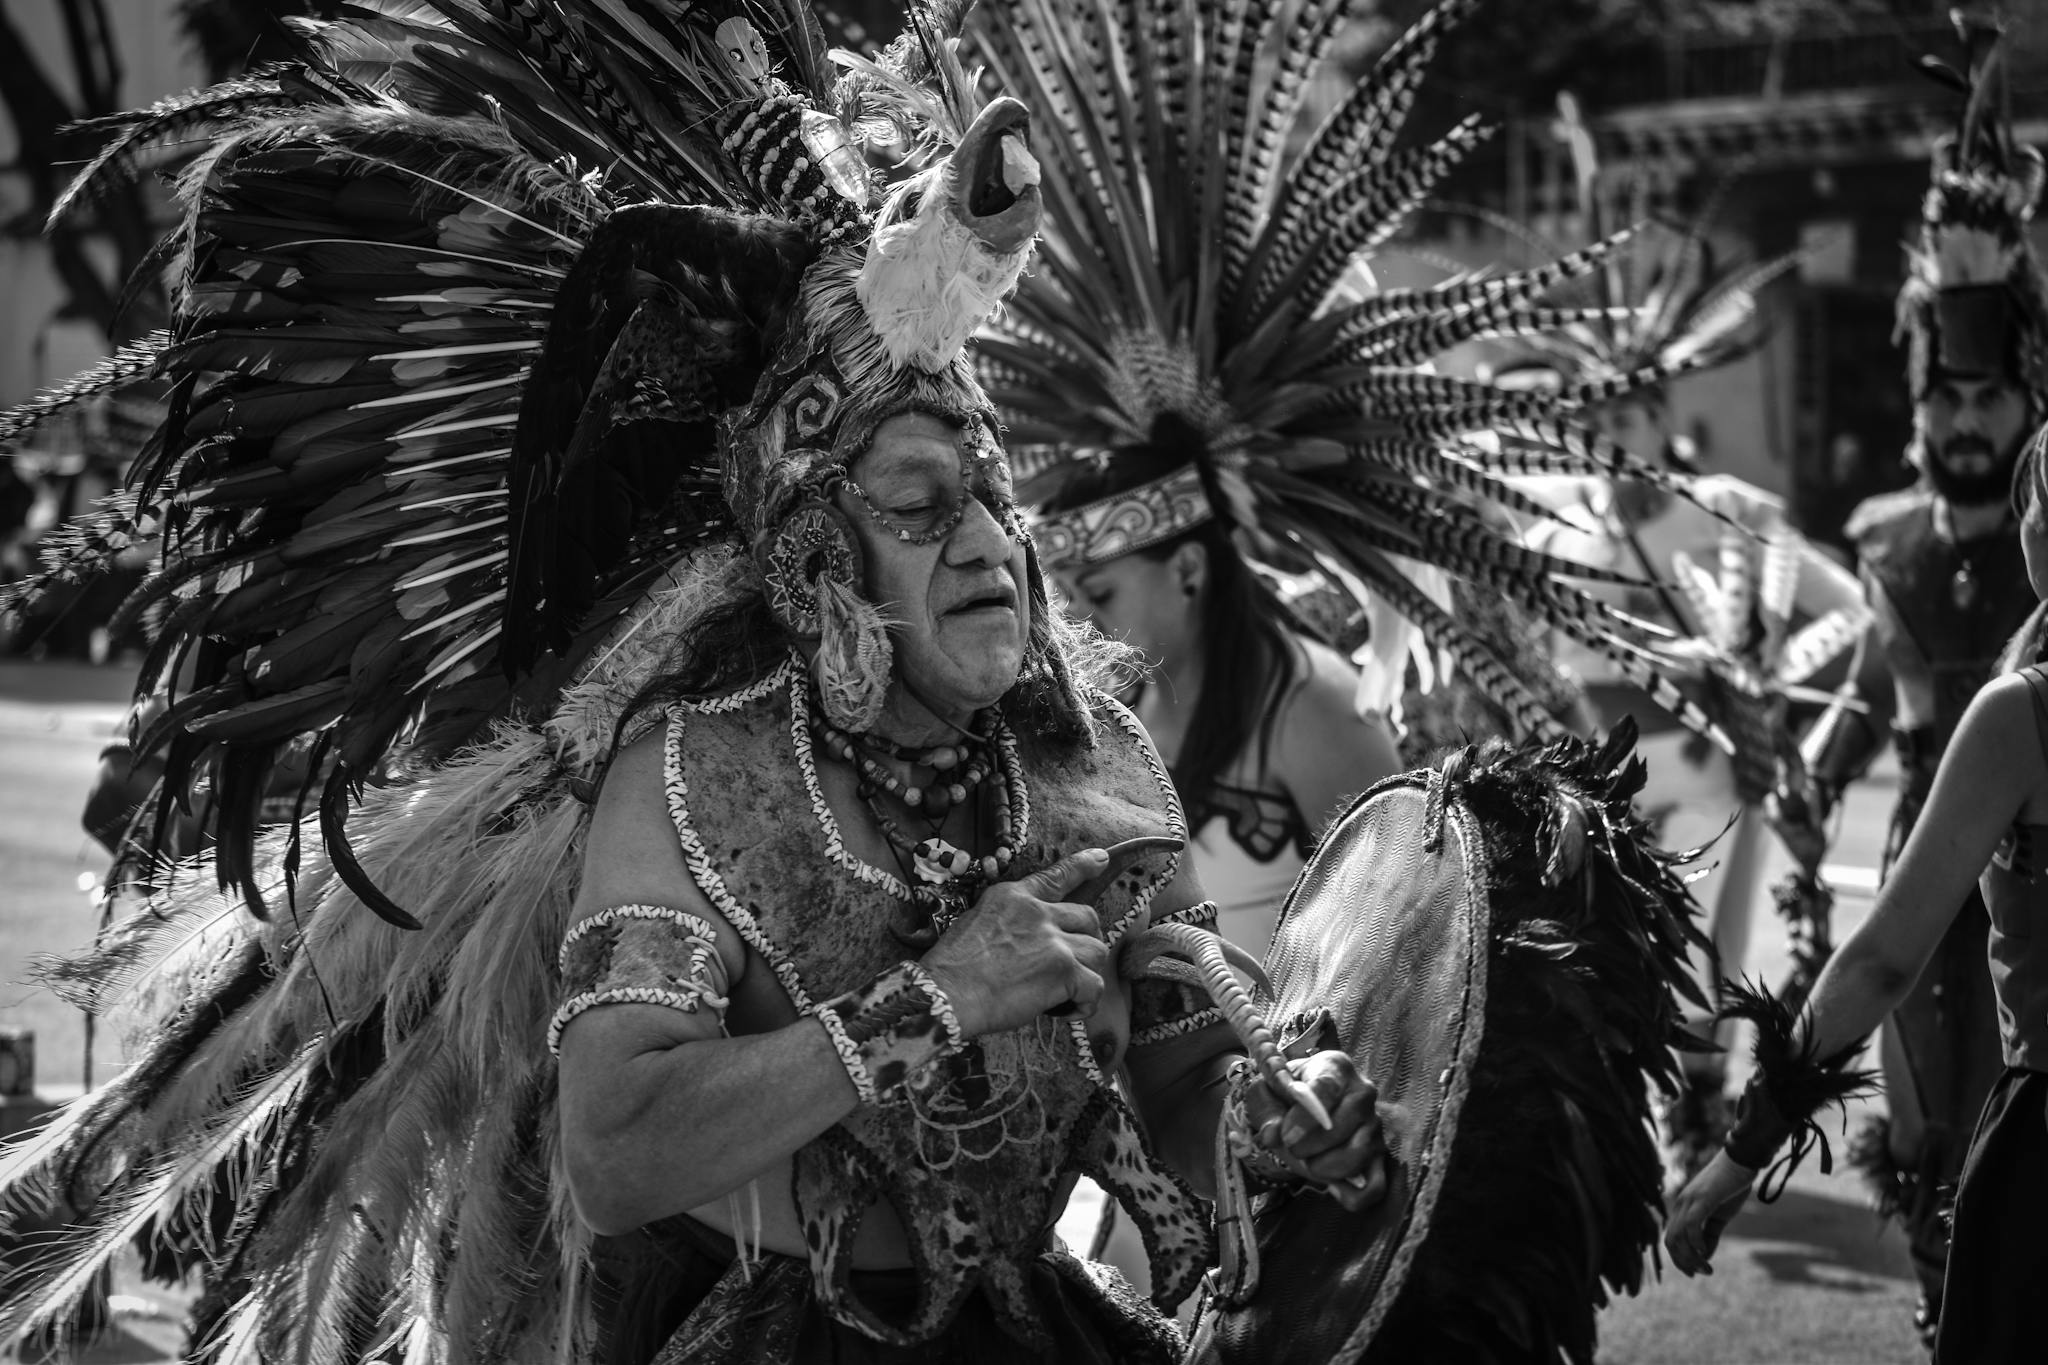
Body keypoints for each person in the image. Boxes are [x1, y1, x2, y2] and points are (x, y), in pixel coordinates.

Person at [0, 2, 1724, 1360]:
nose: (985, 538)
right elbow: (615, 1151)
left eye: (988, 492)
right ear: (820, 558)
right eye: (920, 505)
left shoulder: (1088, 746)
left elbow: (1179, 1049)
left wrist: (1278, 1113)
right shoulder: (689, 788)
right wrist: (926, 1004)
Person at [1767, 15, 2046, 1339]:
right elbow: (1871, 699)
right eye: (1945, 399)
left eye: (1990, 403)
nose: (1962, 424)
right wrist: (1811, 772)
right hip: (1927, 926)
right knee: (1944, 1200)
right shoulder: (1890, 543)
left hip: (2018, 930)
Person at [1667, 416, 2048, 1365]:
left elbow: (1879, 961)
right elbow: (1874, 697)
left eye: (2034, 499)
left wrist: (1739, 1154)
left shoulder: (2022, 713)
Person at [1034, 447, 1403, 955]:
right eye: (1069, 597)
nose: (1081, 619)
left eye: (1101, 592)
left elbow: (1398, 914)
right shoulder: (1114, 710)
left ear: (1188, 568)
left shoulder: (1311, 700)